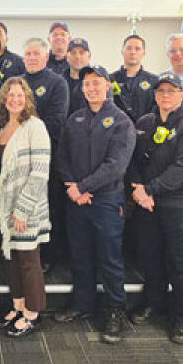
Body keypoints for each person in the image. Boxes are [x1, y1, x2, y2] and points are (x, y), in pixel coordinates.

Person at [52, 66, 136, 344]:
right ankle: (82, 304)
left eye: (97, 83)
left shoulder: (121, 121)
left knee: (109, 258)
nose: (91, 88)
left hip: (106, 201)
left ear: (108, 85)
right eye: (87, 84)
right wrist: (72, 186)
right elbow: (62, 156)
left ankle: (115, 311)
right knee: (80, 256)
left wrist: (83, 187)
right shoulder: (74, 119)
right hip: (77, 201)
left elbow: (116, 165)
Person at [126, 74, 183, 343]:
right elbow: (133, 159)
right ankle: (154, 303)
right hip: (147, 206)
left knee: (179, 263)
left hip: (180, 206)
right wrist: (139, 188)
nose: (165, 95)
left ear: (181, 94)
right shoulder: (145, 123)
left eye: (171, 91)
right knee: (151, 259)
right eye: (161, 91)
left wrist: (149, 189)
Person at [0, 77, 52, 338]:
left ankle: (33, 313)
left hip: (27, 208)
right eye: (11, 95)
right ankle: (18, 306)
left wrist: (23, 210)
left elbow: (40, 172)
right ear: (4, 99)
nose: (15, 99)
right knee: (11, 258)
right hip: (4, 206)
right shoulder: (1, 127)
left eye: (20, 95)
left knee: (28, 260)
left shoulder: (35, 126)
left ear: (27, 99)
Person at [20, 38, 71, 271]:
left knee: (48, 208)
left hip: (46, 158)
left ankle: (49, 257)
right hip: (19, 158)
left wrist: (25, 127)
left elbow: (56, 122)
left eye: (36, 54)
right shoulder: (16, 82)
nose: (32, 58)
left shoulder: (57, 83)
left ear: (46, 56)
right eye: (28, 54)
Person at [110, 34, 160, 121]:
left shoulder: (154, 81)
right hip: (117, 127)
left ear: (143, 53)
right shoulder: (110, 79)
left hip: (146, 127)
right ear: (122, 51)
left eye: (137, 49)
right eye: (129, 48)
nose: (133, 52)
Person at [64, 38, 93, 114]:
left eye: (81, 53)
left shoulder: (98, 80)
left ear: (89, 56)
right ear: (67, 57)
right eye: (73, 53)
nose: (77, 57)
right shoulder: (58, 81)